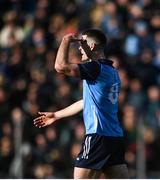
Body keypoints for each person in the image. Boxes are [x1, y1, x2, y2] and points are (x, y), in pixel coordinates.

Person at [33, 29, 129, 179]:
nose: (79, 47)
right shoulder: (111, 70)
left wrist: (66, 40)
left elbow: (60, 66)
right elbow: (87, 102)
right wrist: (56, 115)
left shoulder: (95, 68)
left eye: (81, 43)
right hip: (114, 138)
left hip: (98, 136)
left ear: (91, 47)